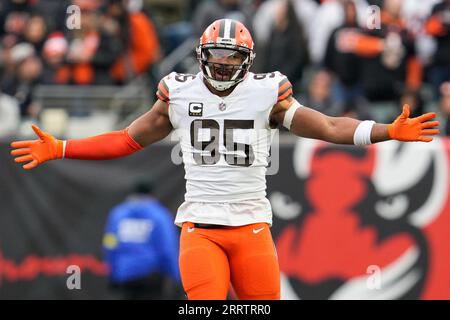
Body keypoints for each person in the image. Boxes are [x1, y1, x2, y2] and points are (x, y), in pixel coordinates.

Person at [10, 19, 440, 300]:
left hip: (252, 226)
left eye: (231, 57)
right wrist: (63, 147)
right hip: (200, 227)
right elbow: (127, 140)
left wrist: (385, 131)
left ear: (246, 61)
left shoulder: (266, 93)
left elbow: (328, 126)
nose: (221, 64)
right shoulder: (178, 92)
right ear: (201, 55)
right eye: (215, 55)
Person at [103, 181, 182, 300]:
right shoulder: (159, 215)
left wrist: (113, 271)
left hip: (124, 275)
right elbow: (167, 248)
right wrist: (175, 276)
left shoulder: (118, 214)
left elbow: (109, 244)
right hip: (151, 277)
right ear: (151, 194)